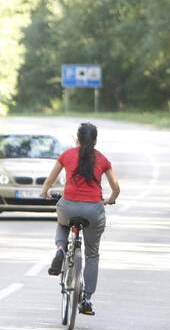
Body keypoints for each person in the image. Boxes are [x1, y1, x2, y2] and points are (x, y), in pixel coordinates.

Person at [40, 122, 120, 316]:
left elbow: (50, 180)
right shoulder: (102, 159)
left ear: (78, 138)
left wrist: (45, 192)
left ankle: (60, 249)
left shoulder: (67, 155)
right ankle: (87, 298)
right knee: (92, 254)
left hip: (69, 207)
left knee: (62, 222)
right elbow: (116, 188)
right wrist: (110, 199)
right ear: (95, 140)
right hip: (93, 210)